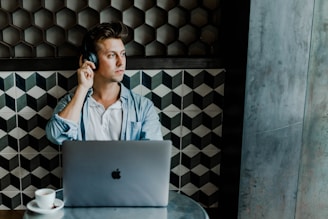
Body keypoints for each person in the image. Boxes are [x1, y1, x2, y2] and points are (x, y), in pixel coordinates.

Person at [46, 22, 163, 145]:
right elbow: (56, 137)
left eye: (123, 54)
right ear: (91, 60)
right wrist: (82, 88)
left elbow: (152, 156)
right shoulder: (72, 102)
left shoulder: (143, 107)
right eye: (112, 55)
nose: (121, 62)